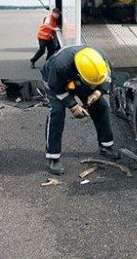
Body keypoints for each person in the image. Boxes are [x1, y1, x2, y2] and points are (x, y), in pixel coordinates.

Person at [41, 45, 118, 175]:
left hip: (82, 79)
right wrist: (73, 106)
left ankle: (106, 146)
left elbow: (107, 78)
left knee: (102, 107)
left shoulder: (102, 60)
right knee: (57, 112)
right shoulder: (59, 65)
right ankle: (53, 157)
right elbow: (55, 88)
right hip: (55, 81)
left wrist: (98, 92)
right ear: (79, 73)